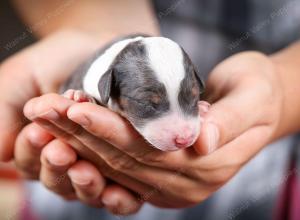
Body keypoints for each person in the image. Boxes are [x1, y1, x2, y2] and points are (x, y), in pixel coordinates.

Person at [0, 0, 300, 219]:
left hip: (271, 186)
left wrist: (284, 94)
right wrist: (89, 26)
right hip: (69, 201)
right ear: (107, 87)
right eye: (149, 104)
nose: (184, 134)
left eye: (191, 99)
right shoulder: (98, 77)